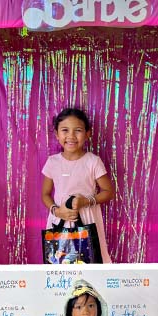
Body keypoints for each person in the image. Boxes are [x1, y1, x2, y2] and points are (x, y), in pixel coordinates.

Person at [41, 108, 115, 263]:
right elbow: (45, 194)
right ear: (56, 134)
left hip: (87, 219)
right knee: (59, 261)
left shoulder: (93, 161)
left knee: (92, 258)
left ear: (88, 133)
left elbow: (108, 191)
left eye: (78, 130)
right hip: (59, 218)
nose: (71, 136)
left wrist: (86, 201)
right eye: (65, 130)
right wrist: (57, 211)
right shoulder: (52, 162)